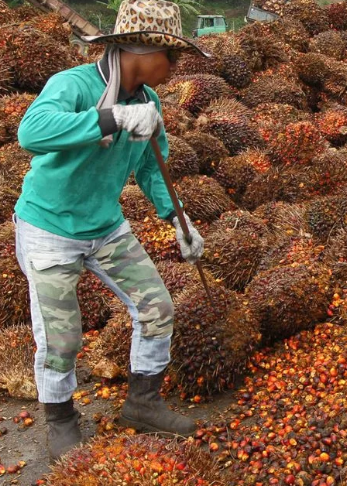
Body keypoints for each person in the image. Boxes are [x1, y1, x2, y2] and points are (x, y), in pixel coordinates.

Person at [14, 0, 209, 461]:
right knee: (61, 339)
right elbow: (32, 131)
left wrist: (179, 220)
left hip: (105, 227)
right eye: (173, 58)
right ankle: (60, 419)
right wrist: (111, 117)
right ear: (142, 50)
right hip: (49, 229)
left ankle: (142, 403)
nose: (175, 69)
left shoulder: (148, 101)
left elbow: (152, 167)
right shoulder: (74, 85)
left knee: (158, 308)